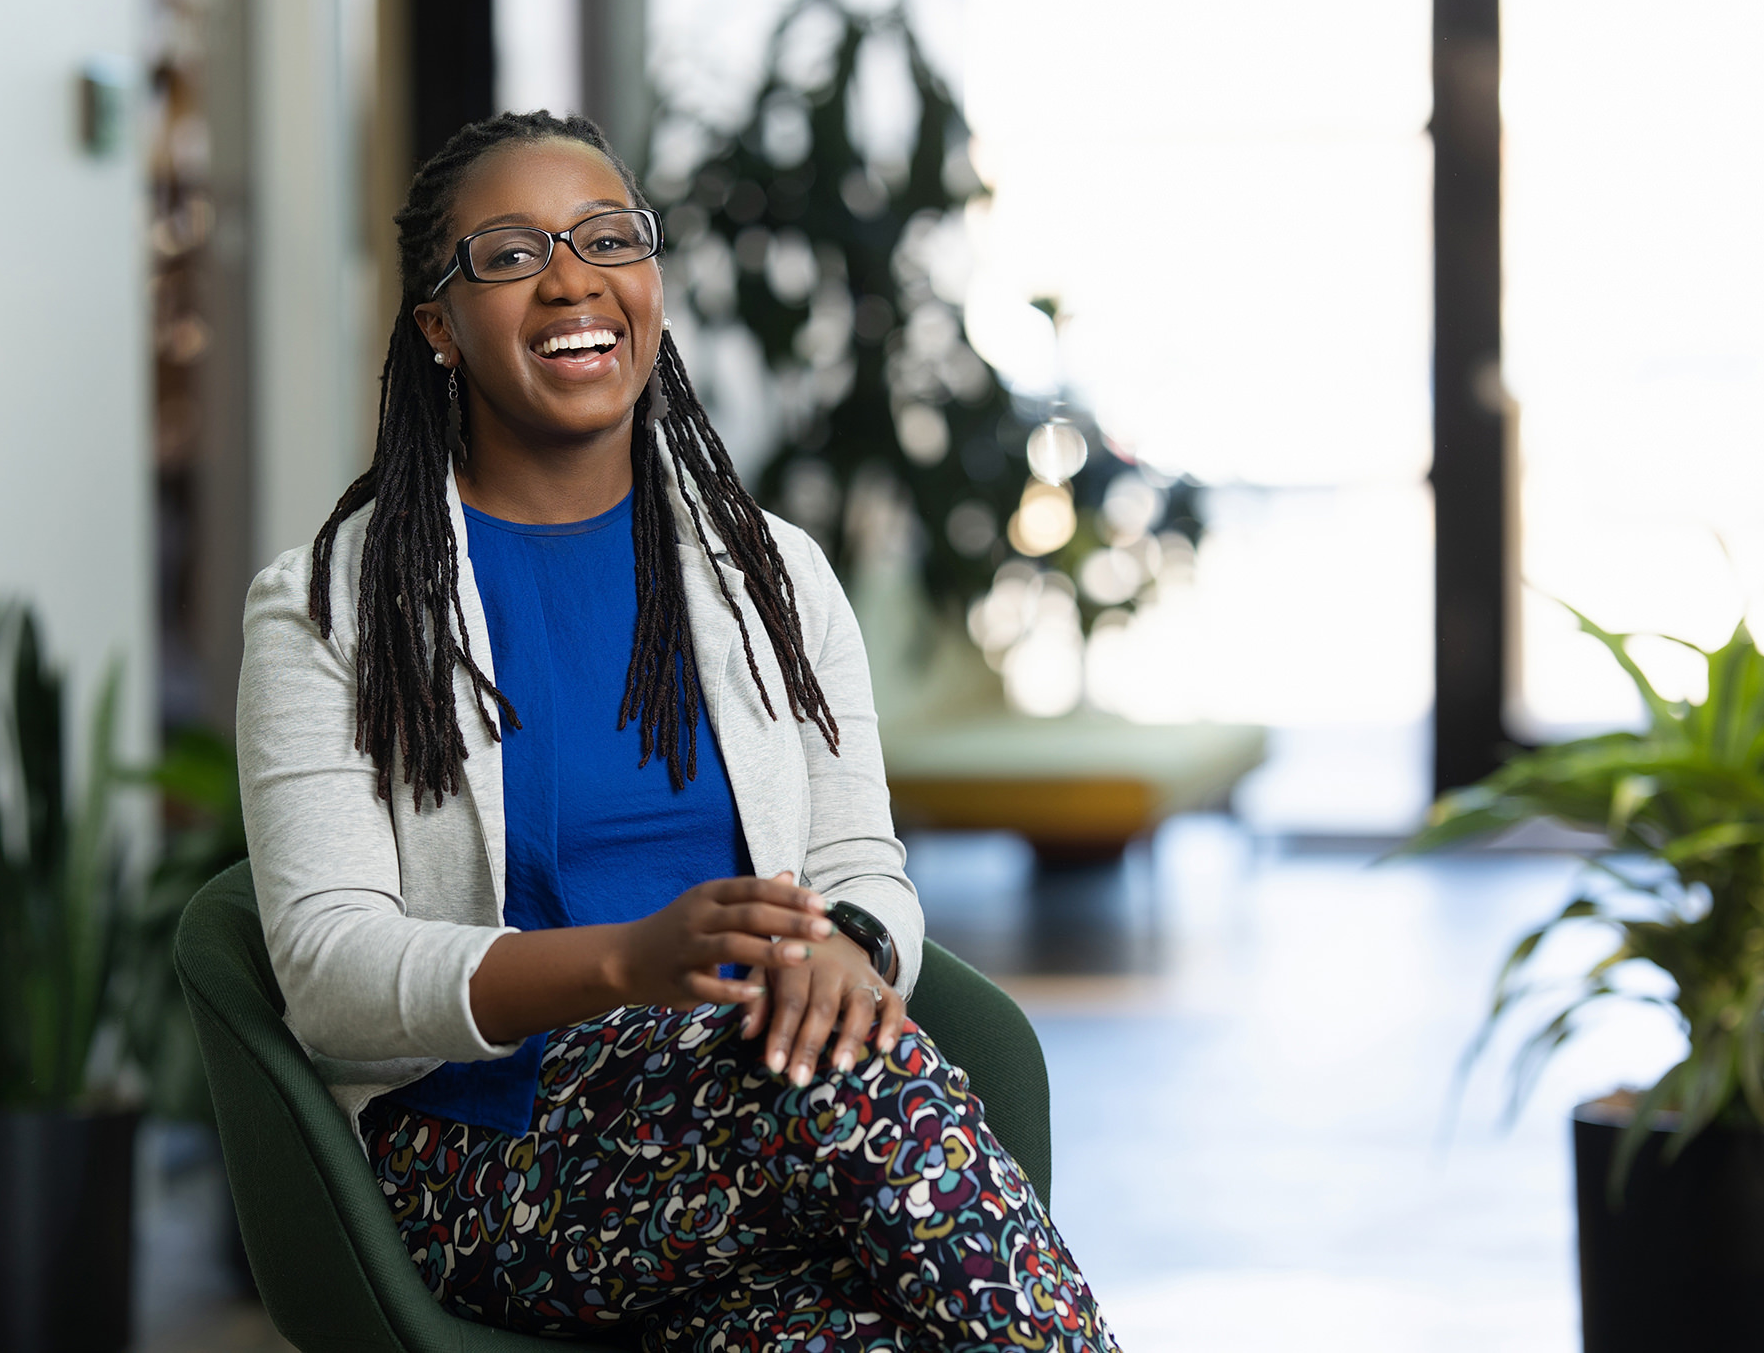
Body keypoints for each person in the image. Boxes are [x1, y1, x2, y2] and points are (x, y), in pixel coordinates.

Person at [237, 109, 1120, 1352]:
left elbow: (862, 869)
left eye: (608, 237)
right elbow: (327, 972)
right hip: (487, 1156)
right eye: (507, 254)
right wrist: (623, 964)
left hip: (760, 1122)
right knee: (859, 1082)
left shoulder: (770, 575)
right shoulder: (333, 601)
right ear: (437, 326)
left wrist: (848, 954)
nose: (569, 280)